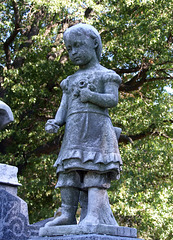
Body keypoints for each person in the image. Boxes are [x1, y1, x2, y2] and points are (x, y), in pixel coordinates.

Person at [45, 23, 122, 227]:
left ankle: (93, 215)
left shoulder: (106, 75)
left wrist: (91, 96)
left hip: (98, 129)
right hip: (74, 131)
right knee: (68, 171)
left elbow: (112, 100)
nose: (73, 52)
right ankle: (67, 214)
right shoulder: (70, 80)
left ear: (94, 43)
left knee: (95, 170)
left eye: (78, 46)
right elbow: (64, 106)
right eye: (69, 49)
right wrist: (56, 121)